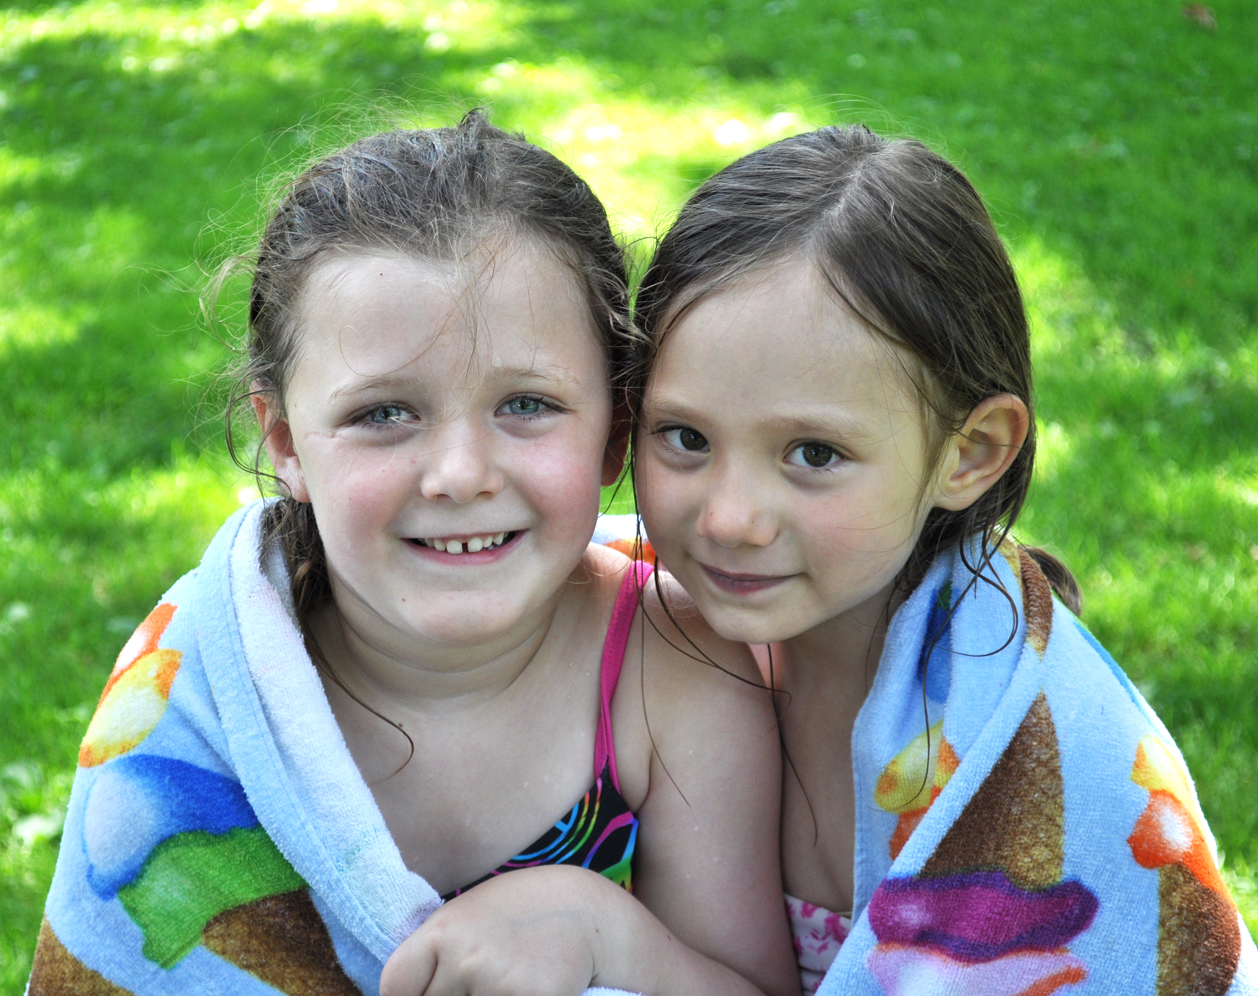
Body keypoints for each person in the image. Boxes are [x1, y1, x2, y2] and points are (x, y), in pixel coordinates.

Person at [387, 125, 1256, 996]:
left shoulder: (1052, 756)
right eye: (685, 437)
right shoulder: (631, 645)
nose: (730, 519)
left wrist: (608, 932)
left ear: (971, 453)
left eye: (813, 454)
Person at [27, 111, 800, 996]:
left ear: (615, 432)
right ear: (284, 442)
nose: (460, 475)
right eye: (384, 414)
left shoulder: (673, 677)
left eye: (528, 405)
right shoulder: (201, 694)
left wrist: (602, 933)